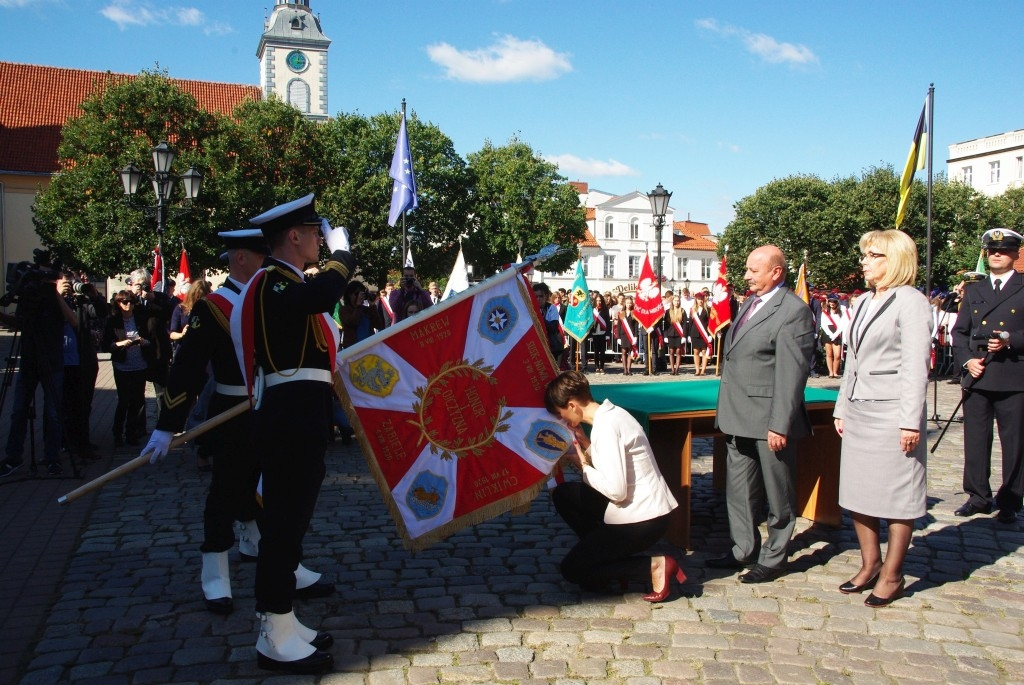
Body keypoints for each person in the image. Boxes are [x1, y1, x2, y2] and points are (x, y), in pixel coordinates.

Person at [233, 194, 355, 674]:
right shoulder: (271, 283)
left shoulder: (287, 282)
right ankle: (273, 631)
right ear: (294, 237)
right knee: (282, 526)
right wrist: (344, 258)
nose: (320, 241)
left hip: (301, 416)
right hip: (286, 419)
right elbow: (323, 295)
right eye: (314, 233)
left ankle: (285, 620)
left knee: (293, 522)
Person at [142, 230, 272, 615]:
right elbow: (188, 367)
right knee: (225, 491)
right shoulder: (213, 307)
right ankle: (215, 573)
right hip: (231, 412)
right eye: (262, 257)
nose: (269, 265)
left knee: (265, 483)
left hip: (267, 410)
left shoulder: (268, 299)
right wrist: (168, 424)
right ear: (241, 259)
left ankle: (257, 544)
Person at [833, 230, 931, 607]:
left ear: (896, 260)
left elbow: (915, 366)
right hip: (859, 408)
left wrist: (910, 421)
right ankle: (869, 561)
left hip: (893, 412)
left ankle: (892, 574)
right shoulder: (861, 302)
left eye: (874, 255)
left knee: (896, 494)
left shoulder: (911, 302)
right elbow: (852, 361)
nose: (864, 261)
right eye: (865, 254)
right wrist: (842, 405)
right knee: (858, 490)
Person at [710, 245, 814, 583]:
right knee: (738, 490)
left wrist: (779, 424)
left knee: (778, 493)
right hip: (737, 415)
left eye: (754, 270)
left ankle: (775, 556)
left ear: (776, 272)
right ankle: (743, 548)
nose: (746, 276)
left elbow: (791, 373)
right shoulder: (750, 304)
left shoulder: (793, 311)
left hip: (769, 420)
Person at [544, 371, 684, 601]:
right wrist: (586, 445)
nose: (562, 420)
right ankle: (602, 553)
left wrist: (583, 466)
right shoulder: (610, 414)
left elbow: (617, 491)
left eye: (561, 414)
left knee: (573, 570)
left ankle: (654, 566)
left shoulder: (607, 427)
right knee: (565, 494)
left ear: (572, 405)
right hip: (642, 510)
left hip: (642, 520)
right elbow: (613, 463)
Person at [952, 228, 1024, 525]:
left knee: (1015, 442)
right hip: (978, 374)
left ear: (1016, 254)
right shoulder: (974, 289)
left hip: (1012, 375)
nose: (997, 254)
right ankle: (978, 496)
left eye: (1004, 250)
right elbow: (960, 332)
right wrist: (967, 361)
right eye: (992, 250)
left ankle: (1010, 500)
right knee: (976, 438)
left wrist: (1012, 340)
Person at [0, 264, 75, 477]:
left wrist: (56, 295)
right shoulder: (30, 297)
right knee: (18, 411)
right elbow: (20, 322)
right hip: (30, 360)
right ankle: (13, 457)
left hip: (52, 361)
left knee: (53, 413)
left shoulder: (58, 299)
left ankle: (52, 458)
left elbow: (72, 320)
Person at [57, 271, 108, 463]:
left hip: (84, 359)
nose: (71, 286)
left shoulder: (80, 301)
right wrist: (58, 295)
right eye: (66, 282)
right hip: (62, 360)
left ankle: (82, 442)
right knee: (65, 405)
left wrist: (93, 295)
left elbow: (101, 312)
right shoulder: (53, 300)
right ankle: (65, 442)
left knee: (83, 404)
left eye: (72, 282)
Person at [103, 290, 154, 447]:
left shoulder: (140, 319)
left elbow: (150, 339)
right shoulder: (113, 321)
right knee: (124, 400)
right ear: (118, 303)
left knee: (138, 400)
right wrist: (119, 344)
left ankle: (131, 432)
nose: (128, 305)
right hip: (122, 365)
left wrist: (143, 341)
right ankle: (117, 433)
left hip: (139, 364)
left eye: (131, 301)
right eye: (125, 302)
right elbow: (106, 345)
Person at [820, 297, 846, 378]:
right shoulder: (825, 312)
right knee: (829, 354)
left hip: (837, 333)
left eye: (833, 302)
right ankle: (831, 372)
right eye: (830, 301)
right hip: (828, 333)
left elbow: (843, 323)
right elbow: (823, 324)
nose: (832, 303)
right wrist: (830, 334)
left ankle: (835, 372)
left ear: (837, 302)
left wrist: (836, 334)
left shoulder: (841, 311)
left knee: (837, 355)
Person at [688, 292, 712, 376]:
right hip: (694, 333)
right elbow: (690, 323)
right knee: (696, 351)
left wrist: (710, 334)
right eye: (699, 299)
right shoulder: (692, 309)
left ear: (704, 300)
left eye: (701, 299)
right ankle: (697, 370)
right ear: (696, 300)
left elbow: (710, 323)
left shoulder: (708, 309)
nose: (700, 301)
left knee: (704, 351)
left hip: (704, 333)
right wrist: (688, 335)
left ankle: (703, 370)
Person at [664, 295, 688, 375]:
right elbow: (666, 325)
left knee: (678, 351)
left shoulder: (682, 311)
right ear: (672, 301)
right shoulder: (668, 311)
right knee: (671, 351)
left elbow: (685, 324)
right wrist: (665, 336)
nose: (676, 302)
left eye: (678, 301)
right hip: (670, 334)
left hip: (679, 334)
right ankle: (672, 369)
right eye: (675, 300)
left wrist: (684, 336)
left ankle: (677, 369)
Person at [617, 297, 639, 376]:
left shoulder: (634, 313)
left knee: (630, 352)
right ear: (624, 304)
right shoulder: (621, 313)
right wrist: (618, 337)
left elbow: (636, 325)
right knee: (623, 352)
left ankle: (629, 369)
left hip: (631, 335)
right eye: (627, 303)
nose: (629, 304)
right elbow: (619, 326)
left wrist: (636, 336)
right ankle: (624, 369)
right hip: (623, 335)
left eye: (630, 303)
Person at [591, 293, 610, 374]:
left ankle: (602, 367)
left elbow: (608, 323)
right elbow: (590, 323)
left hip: (602, 333)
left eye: (600, 301)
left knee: (602, 352)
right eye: (597, 301)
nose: (598, 302)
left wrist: (608, 334)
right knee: (596, 352)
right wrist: (590, 335)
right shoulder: (592, 310)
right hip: (595, 333)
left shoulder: (605, 310)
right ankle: (596, 367)